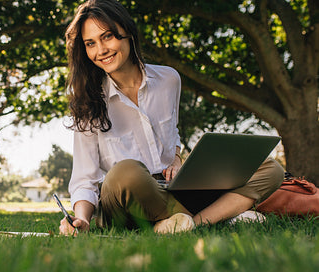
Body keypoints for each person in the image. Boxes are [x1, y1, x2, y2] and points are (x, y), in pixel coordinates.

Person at [59, 0, 284, 235]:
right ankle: (219, 217)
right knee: (126, 172)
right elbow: (84, 177)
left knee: (271, 169)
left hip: (170, 190)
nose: (101, 50)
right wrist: (82, 219)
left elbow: (171, 133)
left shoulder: (169, 80)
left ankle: (186, 223)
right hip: (124, 199)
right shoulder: (87, 100)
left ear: (128, 32)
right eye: (90, 43)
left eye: (107, 36)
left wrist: (176, 159)